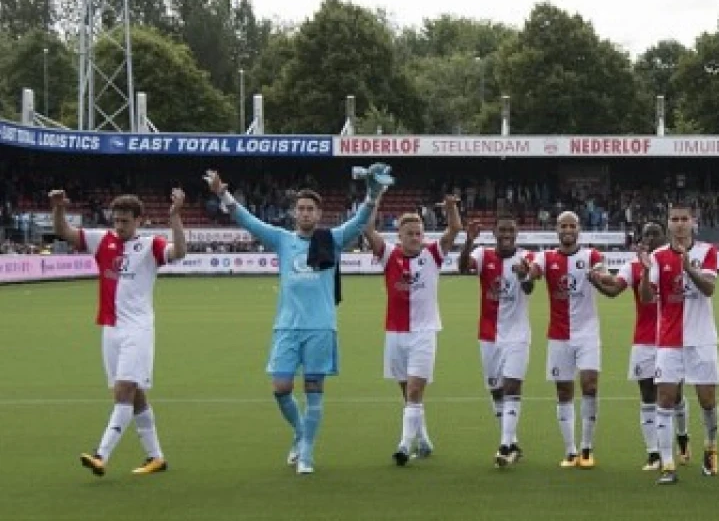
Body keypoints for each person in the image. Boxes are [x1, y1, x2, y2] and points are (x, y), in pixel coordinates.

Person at [207, 168, 384, 474]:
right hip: (286, 327)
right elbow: (248, 220)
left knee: (314, 390)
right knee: (281, 387)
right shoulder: (282, 239)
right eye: (300, 209)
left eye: (310, 209)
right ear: (293, 213)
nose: (304, 213)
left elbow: (358, 223)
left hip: (320, 328)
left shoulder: (332, 239)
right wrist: (223, 194)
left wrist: (371, 196)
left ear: (318, 214)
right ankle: (301, 433)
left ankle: (307, 455)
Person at [56, 189, 186, 477]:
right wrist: (57, 208)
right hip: (110, 329)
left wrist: (175, 216)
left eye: (125, 221)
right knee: (136, 394)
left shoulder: (151, 245)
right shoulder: (102, 240)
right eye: (116, 220)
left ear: (139, 220)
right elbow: (63, 231)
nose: (119, 226)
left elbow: (179, 252)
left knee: (123, 390)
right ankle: (156, 457)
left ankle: (101, 454)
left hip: (137, 330)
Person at [364, 198, 460, 465]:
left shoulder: (432, 254)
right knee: (408, 393)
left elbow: (454, 230)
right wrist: (375, 197)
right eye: (410, 234)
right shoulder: (389, 254)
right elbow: (368, 229)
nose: (416, 238)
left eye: (419, 233)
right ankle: (424, 440)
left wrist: (451, 206)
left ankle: (404, 445)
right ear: (400, 236)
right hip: (395, 333)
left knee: (416, 390)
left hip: (424, 332)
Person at [528, 211, 617, 469]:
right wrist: (526, 272)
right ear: (556, 229)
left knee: (590, 386)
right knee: (564, 391)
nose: (568, 230)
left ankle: (587, 448)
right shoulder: (546, 257)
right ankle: (570, 450)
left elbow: (606, 274)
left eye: (572, 226)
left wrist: (600, 277)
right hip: (559, 335)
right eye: (563, 226)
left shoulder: (591, 256)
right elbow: (532, 272)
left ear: (578, 229)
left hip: (588, 333)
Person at [641, 202, 719, 485]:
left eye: (683, 219)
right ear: (668, 223)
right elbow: (649, 298)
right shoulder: (658, 256)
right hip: (669, 341)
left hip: (701, 339)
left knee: (707, 400)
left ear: (693, 221)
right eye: (674, 219)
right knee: (664, 398)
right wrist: (643, 272)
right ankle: (667, 464)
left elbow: (709, 289)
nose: (679, 224)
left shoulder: (707, 252)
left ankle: (711, 448)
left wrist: (688, 268)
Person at [458, 213, 535, 468]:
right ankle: (513, 442)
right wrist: (468, 241)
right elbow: (462, 267)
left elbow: (529, 289)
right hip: (488, 334)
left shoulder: (526, 257)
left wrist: (524, 275)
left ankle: (504, 446)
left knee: (512, 387)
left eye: (510, 230)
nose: (506, 235)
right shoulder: (482, 254)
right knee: (496, 390)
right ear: (494, 233)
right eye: (502, 230)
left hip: (518, 335)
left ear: (516, 232)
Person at [599, 222, 673, 470]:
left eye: (656, 233)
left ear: (665, 236)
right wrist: (596, 279)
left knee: (673, 397)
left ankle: (680, 441)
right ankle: (653, 453)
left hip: (671, 340)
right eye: (647, 234)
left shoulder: (674, 263)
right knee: (648, 396)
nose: (651, 238)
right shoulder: (632, 266)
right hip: (643, 340)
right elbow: (613, 290)